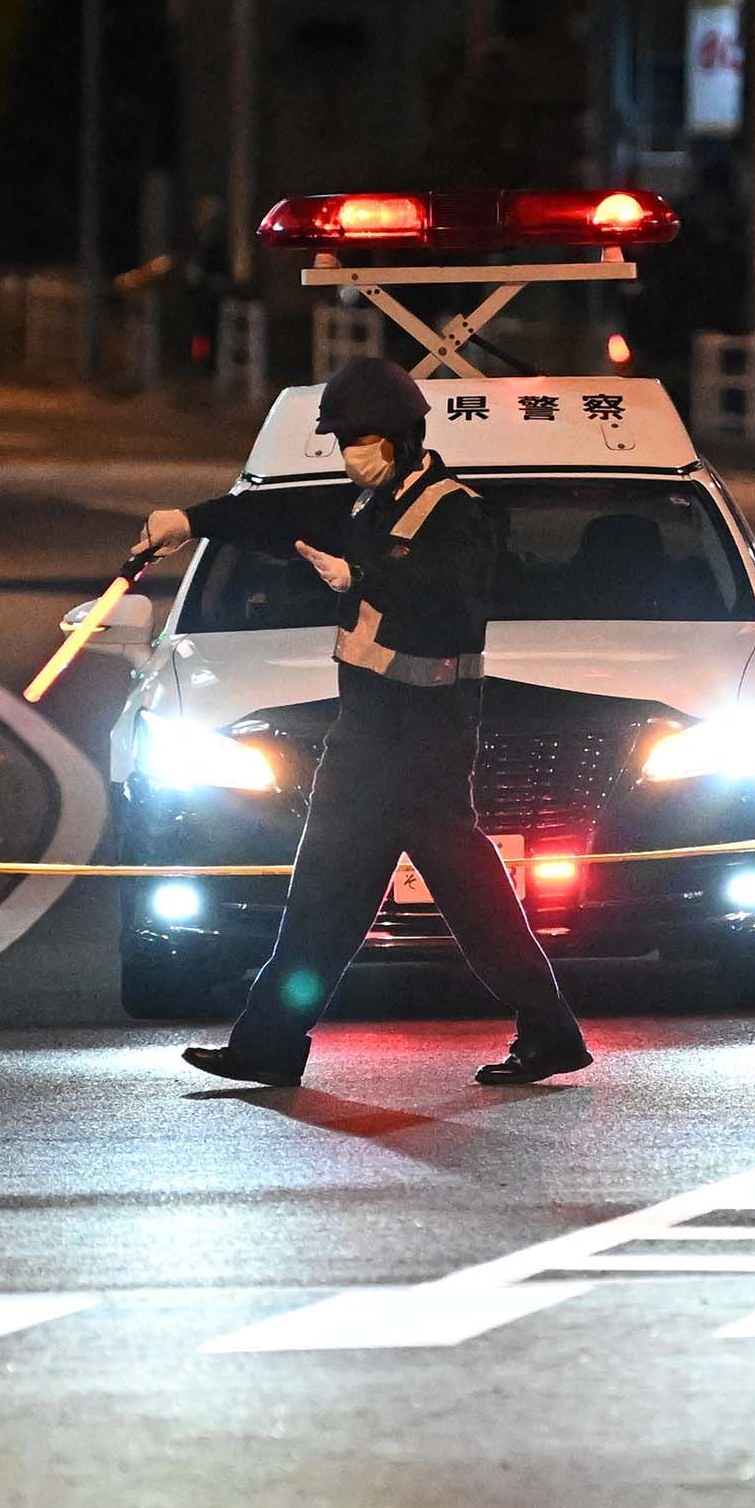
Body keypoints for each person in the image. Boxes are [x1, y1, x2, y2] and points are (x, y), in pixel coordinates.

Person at [136, 357, 592, 1089]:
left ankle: (546, 1030)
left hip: (422, 745)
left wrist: (365, 577)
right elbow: (274, 517)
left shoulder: (455, 511)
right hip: (365, 739)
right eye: (344, 439)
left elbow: (453, 594)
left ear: (407, 437)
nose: (352, 452)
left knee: (459, 903)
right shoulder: (362, 506)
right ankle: (272, 1040)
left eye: (364, 438)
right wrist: (188, 522)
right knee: (325, 898)